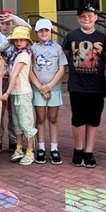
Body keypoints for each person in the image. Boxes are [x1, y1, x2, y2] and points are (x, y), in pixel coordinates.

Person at [61, 4, 106, 168]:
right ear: (78, 19)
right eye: (83, 16)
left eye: (90, 16)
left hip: (97, 85)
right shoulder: (71, 36)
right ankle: (78, 149)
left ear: (95, 17)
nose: (86, 19)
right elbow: (65, 55)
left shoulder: (103, 38)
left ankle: (89, 151)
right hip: (77, 85)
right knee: (78, 119)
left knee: (93, 119)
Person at [0, 10, 31, 154]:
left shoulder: (18, 36)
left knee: (13, 112)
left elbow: (28, 28)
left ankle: (14, 141)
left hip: (14, 78)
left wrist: (14, 18)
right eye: (3, 23)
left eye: (8, 23)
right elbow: (1, 47)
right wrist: (13, 37)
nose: (5, 26)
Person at [30, 18, 65, 164]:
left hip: (54, 89)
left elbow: (61, 69)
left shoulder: (57, 48)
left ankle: (54, 148)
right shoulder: (32, 48)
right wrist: (40, 87)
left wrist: (49, 86)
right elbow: (29, 70)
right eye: (40, 31)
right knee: (40, 118)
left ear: (51, 31)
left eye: (46, 30)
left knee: (53, 118)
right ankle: (41, 147)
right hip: (37, 89)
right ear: (36, 32)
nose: (43, 33)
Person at [2, 25, 38, 166]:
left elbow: (15, 74)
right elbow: (10, 72)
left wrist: (7, 92)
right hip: (15, 92)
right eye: (16, 40)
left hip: (22, 93)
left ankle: (30, 151)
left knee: (26, 123)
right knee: (16, 124)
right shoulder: (14, 55)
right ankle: (18, 148)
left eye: (22, 40)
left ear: (27, 41)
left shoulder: (24, 55)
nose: (18, 42)